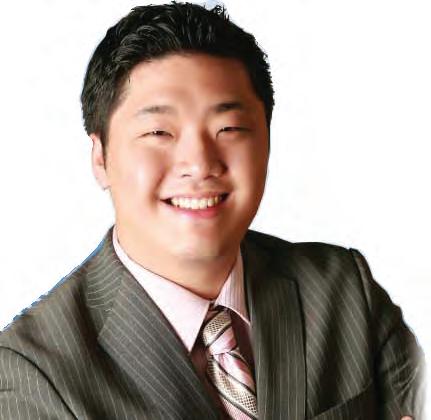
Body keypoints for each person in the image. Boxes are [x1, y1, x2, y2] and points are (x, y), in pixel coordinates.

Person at [0, 2, 425, 419]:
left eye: (229, 128)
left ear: (267, 141)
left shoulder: (344, 288)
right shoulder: (34, 370)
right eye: (159, 132)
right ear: (100, 157)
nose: (200, 163)